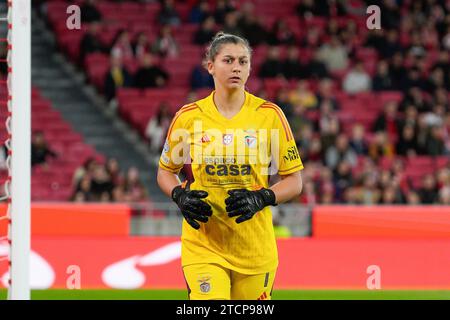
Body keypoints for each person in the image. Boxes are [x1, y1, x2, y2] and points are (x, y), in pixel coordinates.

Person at [157, 32, 303, 300]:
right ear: (210, 66)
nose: (237, 67)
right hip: (203, 245)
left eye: (243, 61)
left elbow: (295, 181)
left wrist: (263, 197)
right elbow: (166, 171)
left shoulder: (269, 116)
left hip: (255, 250)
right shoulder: (189, 118)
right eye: (229, 60)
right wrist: (179, 195)